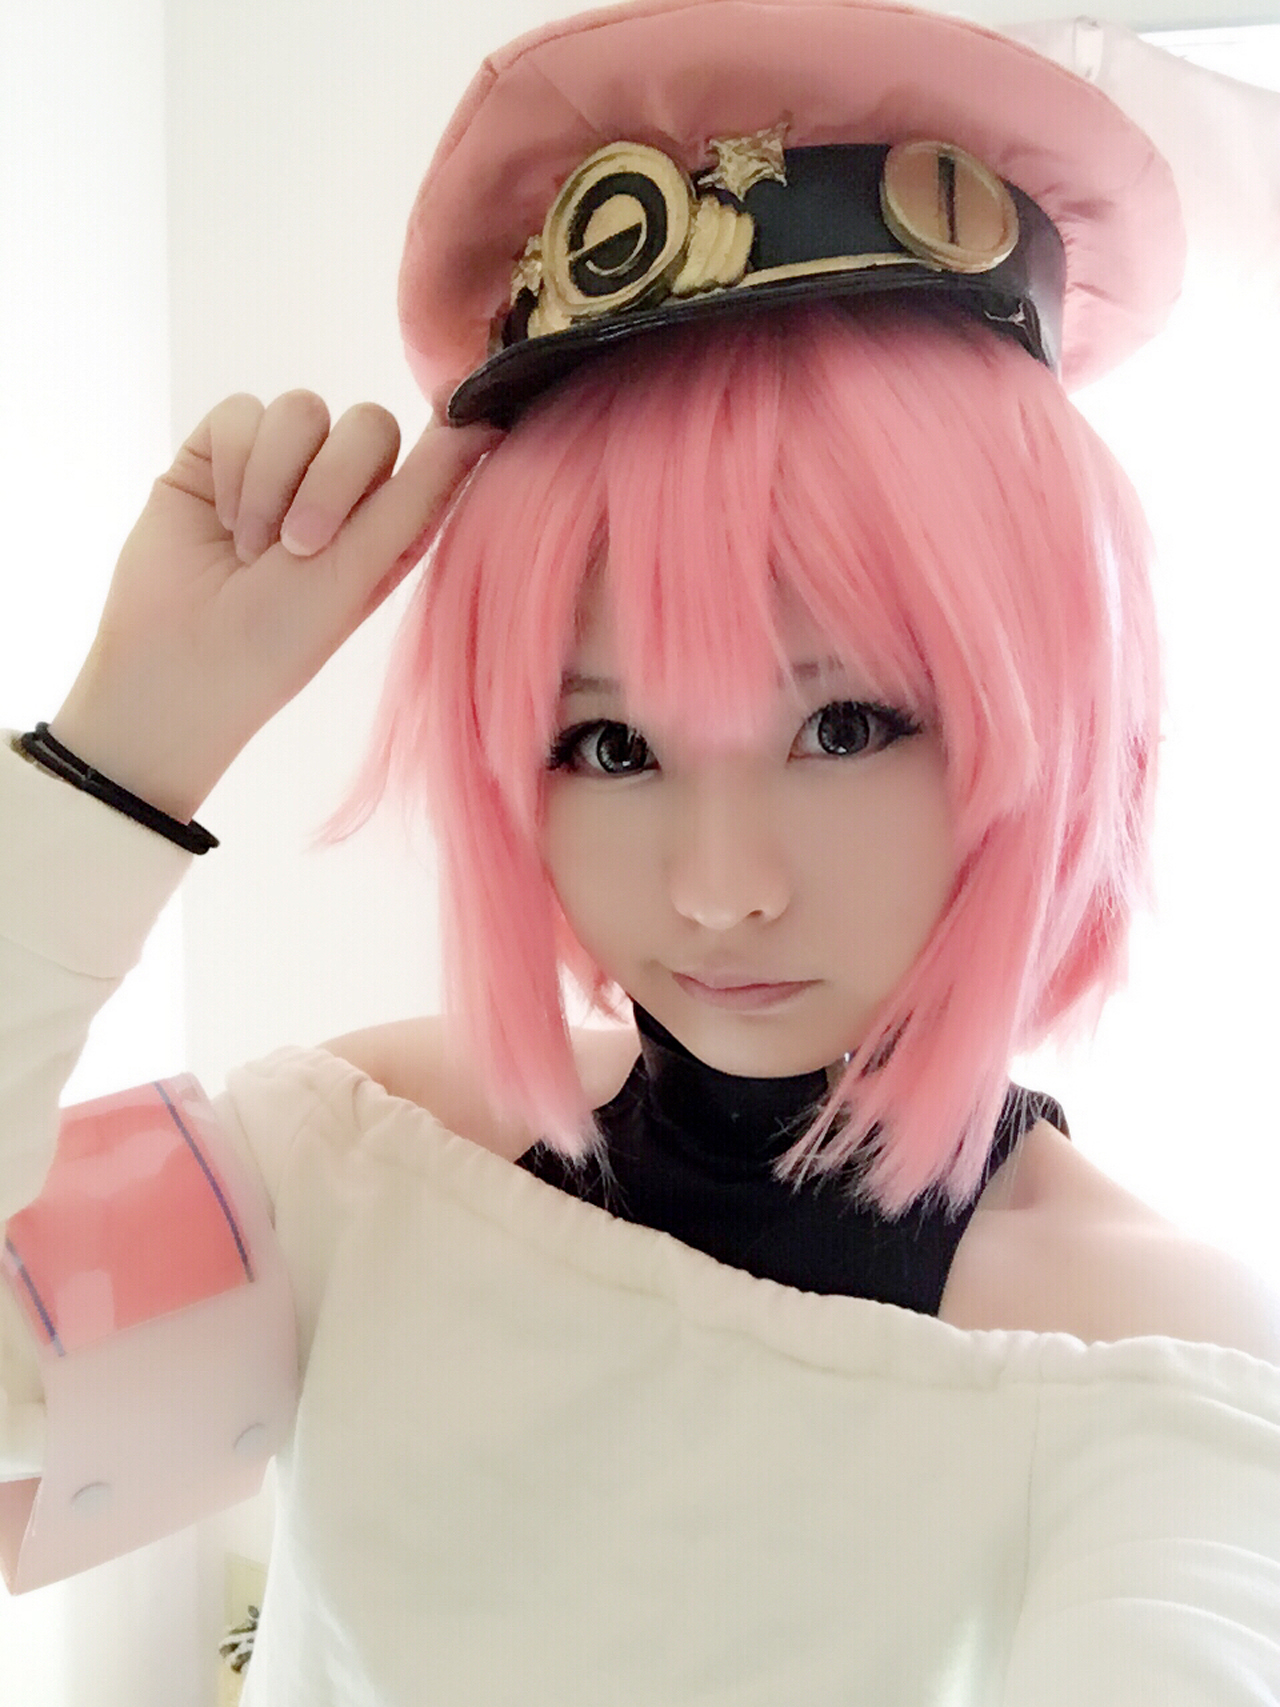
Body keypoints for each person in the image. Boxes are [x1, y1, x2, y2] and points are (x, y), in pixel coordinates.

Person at [2, 0, 1279, 1701]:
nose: (719, 887)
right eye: (608, 745)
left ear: (1045, 714)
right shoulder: (365, 1159)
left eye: (846, 725)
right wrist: (116, 758)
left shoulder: (1156, 1367)